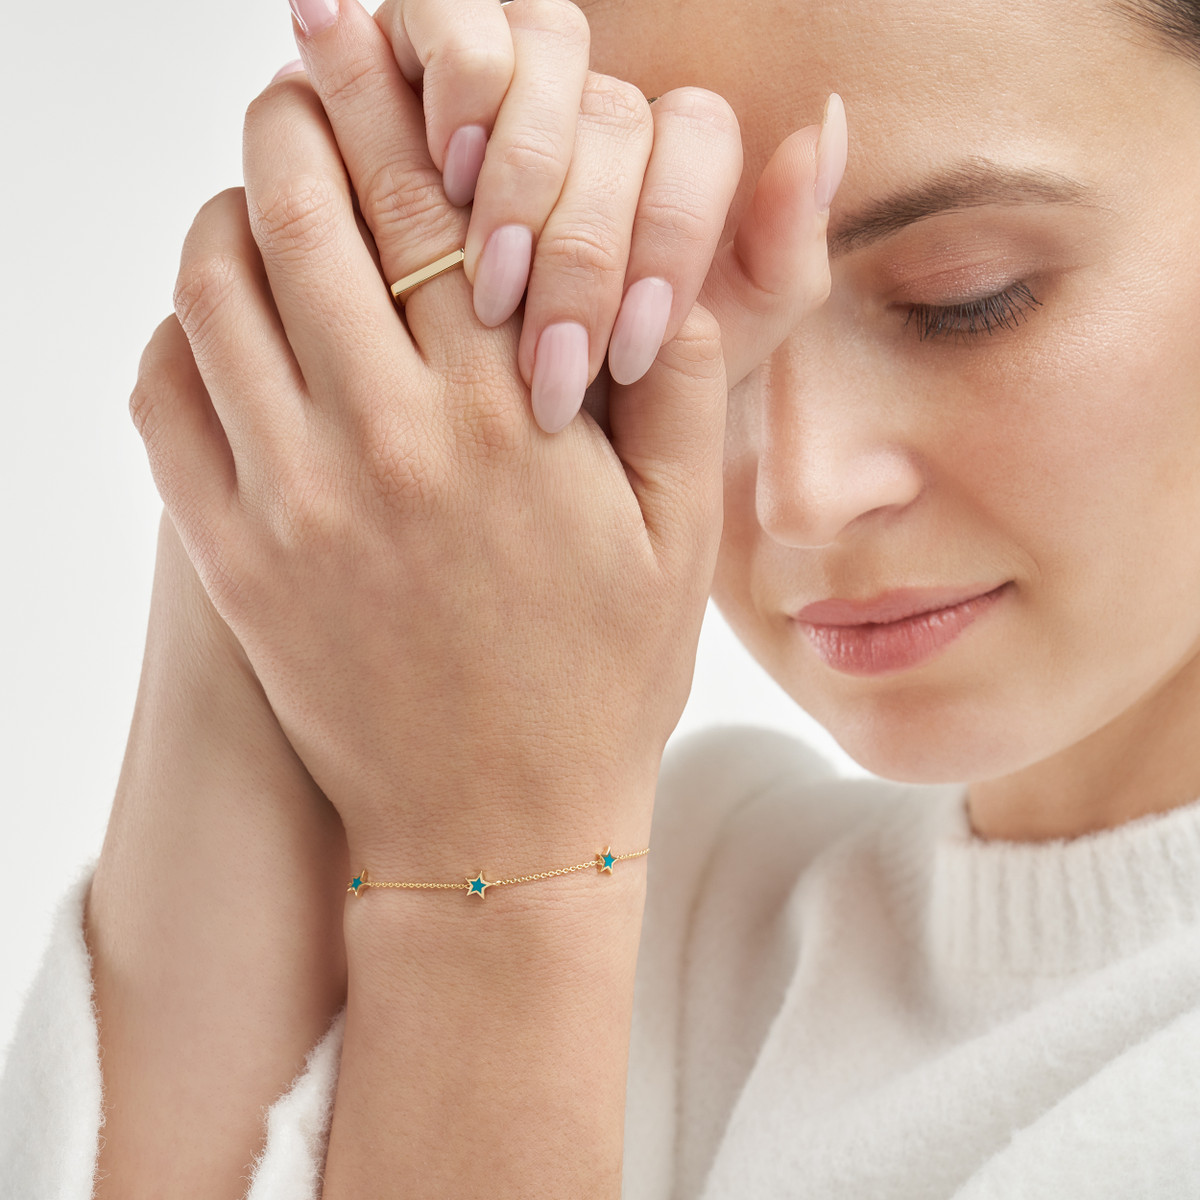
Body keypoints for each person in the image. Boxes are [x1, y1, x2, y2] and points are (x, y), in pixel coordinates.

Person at [4, 0, 1200, 1194]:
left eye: (967, 299)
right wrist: (318, 394)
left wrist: (498, 864)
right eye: (661, 315)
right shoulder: (695, 895)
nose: (799, 493)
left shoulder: (573, 860)